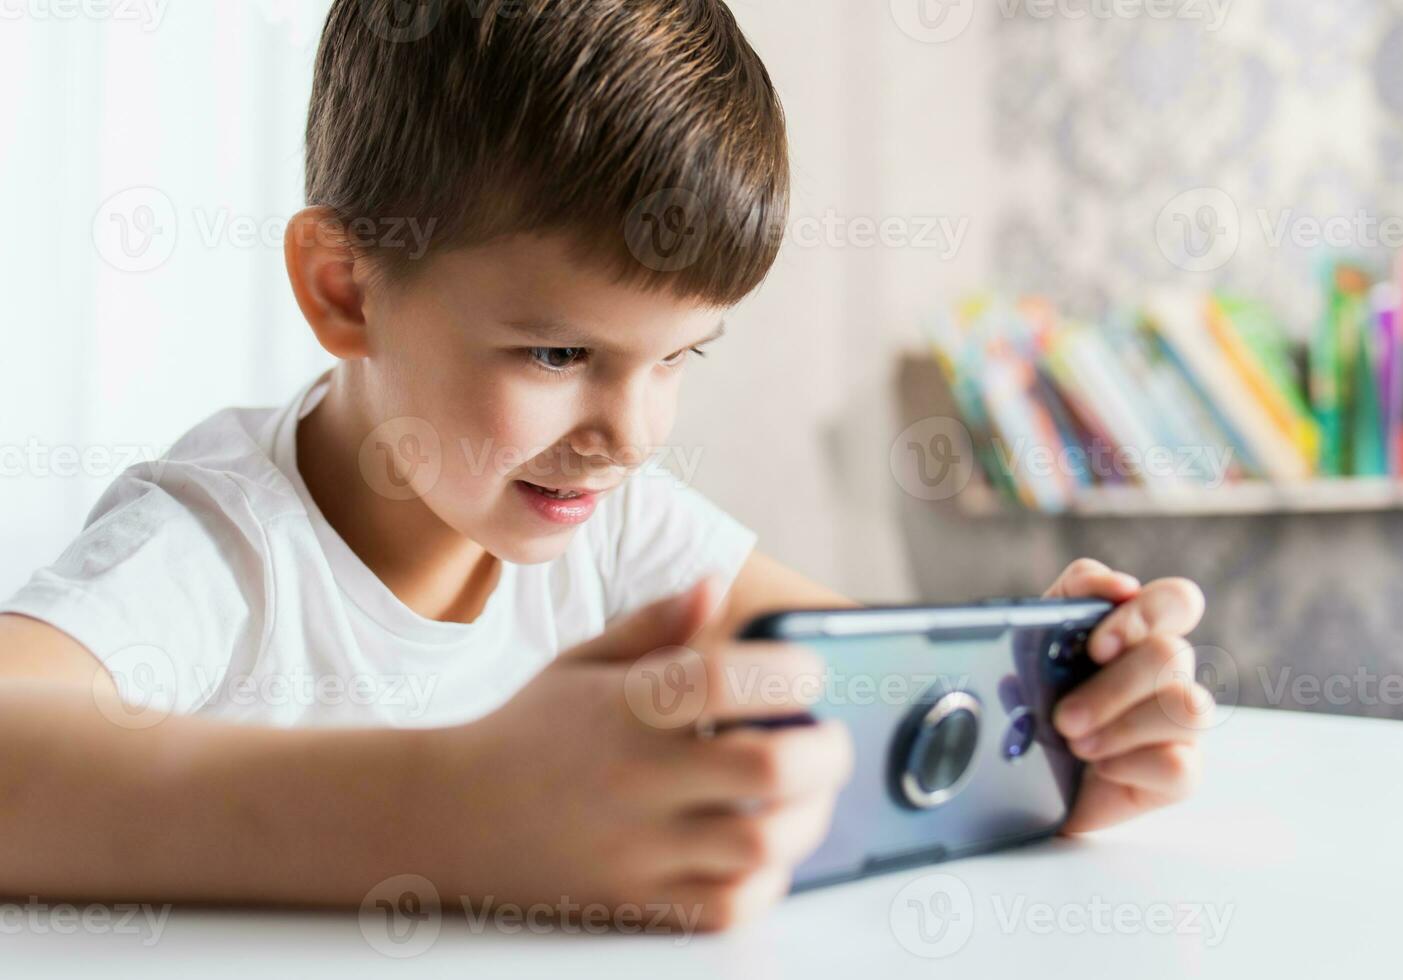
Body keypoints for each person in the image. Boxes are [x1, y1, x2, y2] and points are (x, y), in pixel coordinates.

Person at [0, 0, 1210, 931]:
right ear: (344, 287)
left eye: (679, 356)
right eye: (559, 350)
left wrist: (1042, 748)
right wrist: (459, 812)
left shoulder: (617, 530)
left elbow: (864, 692)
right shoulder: (219, 545)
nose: (631, 434)